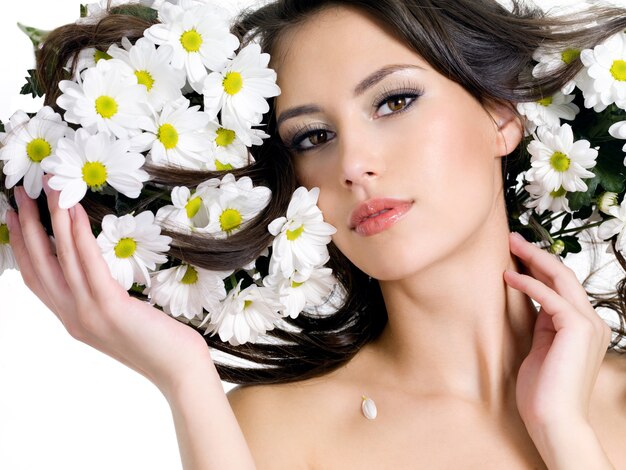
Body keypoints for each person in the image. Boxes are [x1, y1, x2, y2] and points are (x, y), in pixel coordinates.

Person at [3, 0, 626, 468]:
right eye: (313, 138)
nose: (353, 163)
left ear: (500, 116)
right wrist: (188, 381)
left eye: (393, 102)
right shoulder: (270, 431)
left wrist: (564, 430)